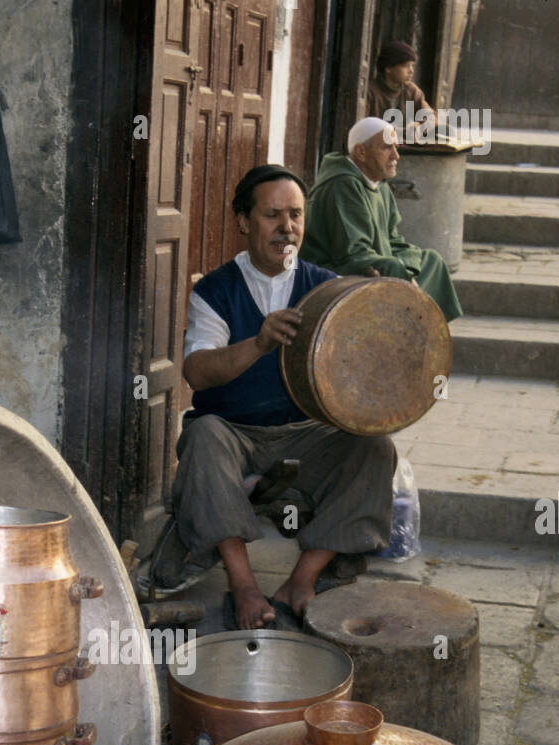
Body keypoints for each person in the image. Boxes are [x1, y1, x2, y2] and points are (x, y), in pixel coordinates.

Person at [150, 164, 396, 630]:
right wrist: (259, 343)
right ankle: (244, 586)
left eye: (297, 215)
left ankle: (301, 580)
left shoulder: (324, 287)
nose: (287, 228)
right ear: (244, 221)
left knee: (374, 448)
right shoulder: (216, 291)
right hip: (235, 434)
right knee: (202, 436)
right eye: (273, 215)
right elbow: (197, 372)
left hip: (306, 434)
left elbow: (358, 372)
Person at [301, 117, 462, 321]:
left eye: (396, 148)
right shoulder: (342, 185)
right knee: (395, 269)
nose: (396, 156)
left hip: (371, 259)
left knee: (432, 261)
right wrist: (398, 268)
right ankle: (407, 329)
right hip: (333, 268)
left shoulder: (380, 184)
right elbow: (352, 254)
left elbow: (393, 240)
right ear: (361, 152)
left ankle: (427, 328)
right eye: (387, 148)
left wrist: (407, 263)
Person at [365, 39, 433, 127]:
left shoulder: (411, 91)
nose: (411, 71)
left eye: (412, 66)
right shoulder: (370, 92)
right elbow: (364, 129)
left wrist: (422, 125)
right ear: (388, 68)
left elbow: (431, 117)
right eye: (405, 66)